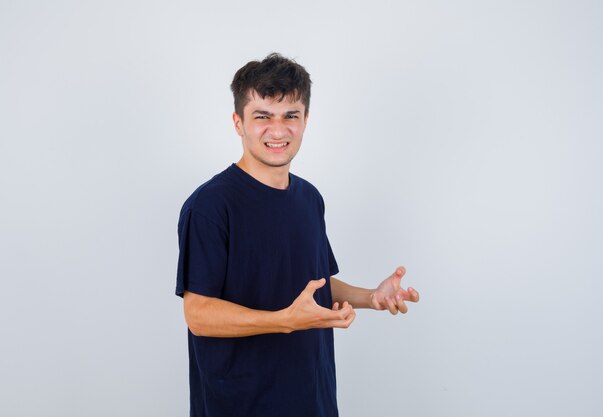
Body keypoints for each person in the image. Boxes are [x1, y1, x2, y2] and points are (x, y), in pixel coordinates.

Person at [175, 53, 420, 417]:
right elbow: (199, 314)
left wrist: (372, 297)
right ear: (238, 123)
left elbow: (316, 283)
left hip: (313, 399)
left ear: (306, 120)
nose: (278, 130)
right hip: (241, 405)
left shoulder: (310, 198)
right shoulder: (210, 206)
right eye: (262, 116)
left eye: (291, 115)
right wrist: (283, 321)